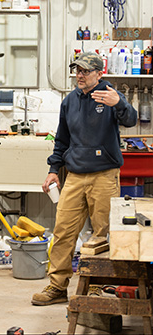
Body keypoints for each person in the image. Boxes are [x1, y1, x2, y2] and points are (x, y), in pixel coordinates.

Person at [31, 52, 137, 306]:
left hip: (104, 176)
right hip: (75, 176)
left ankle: (98, 289)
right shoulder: (69, 101)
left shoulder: (111, 96)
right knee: (63, 231)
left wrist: (119, 103)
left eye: (85, 71)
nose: (80, 75)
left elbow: (131, 120)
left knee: (102, 235)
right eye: (77, 70)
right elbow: (62, 140)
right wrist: (53, 169)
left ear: (99, 74)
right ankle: (57, 287)